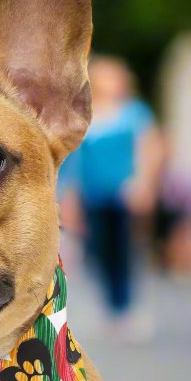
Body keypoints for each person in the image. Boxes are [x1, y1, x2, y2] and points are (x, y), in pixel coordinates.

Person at [59, 55, 163, 341]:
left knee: (125, 251)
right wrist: (67, 198)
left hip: (126, 194)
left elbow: (149, 148)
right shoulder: (83, 116)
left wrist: (144, 183)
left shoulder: (134, 113)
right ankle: (112, 306)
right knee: (99, 250)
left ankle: (127, 306)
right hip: (92, 195)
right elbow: (72, 162)